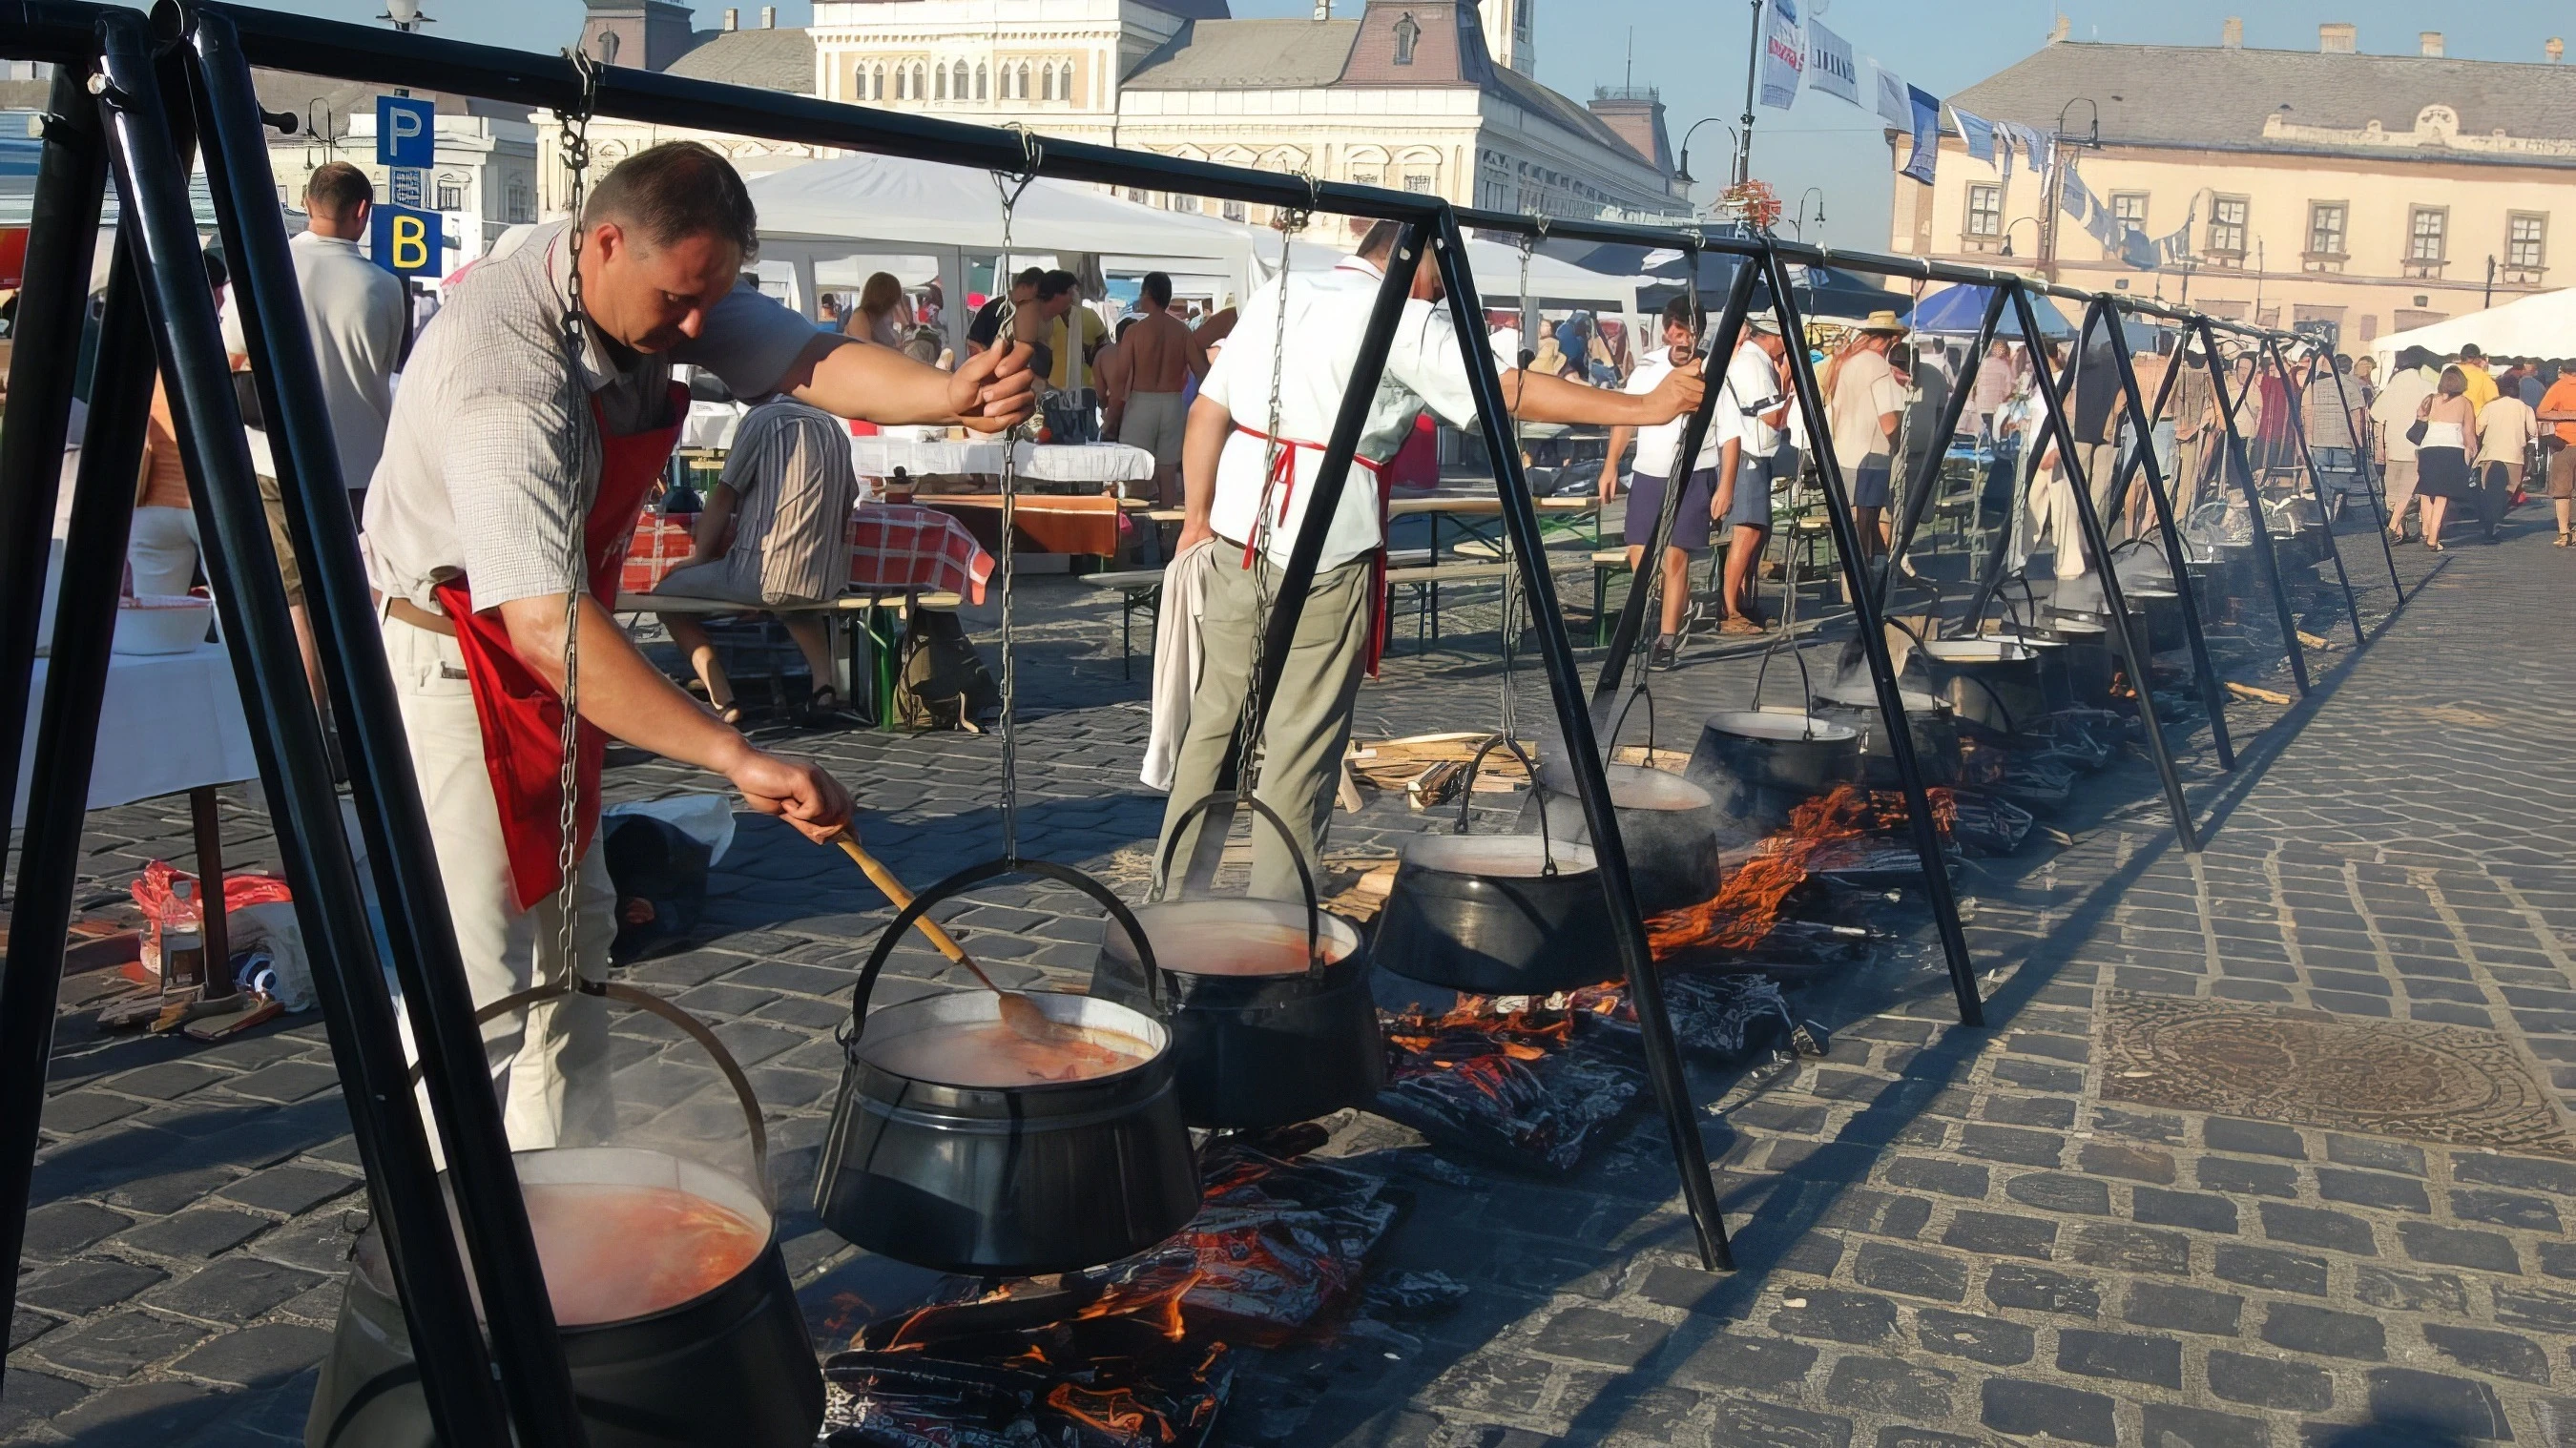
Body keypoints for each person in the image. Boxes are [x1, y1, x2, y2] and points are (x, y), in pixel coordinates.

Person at [362, 141, 1034, 1148]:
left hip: (560, 662)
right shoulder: (502, 366)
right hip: (461, 664)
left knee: (578, 953)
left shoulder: (667, 279)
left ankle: (568, 1194)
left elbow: (805, 358)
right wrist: (733, 753)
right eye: (677, 303)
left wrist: (950, 397)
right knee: (479, 975)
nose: (691, 332)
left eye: (706, 305)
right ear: (602, 245)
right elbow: (542, 623)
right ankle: (442, 1241)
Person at [1158, 220, 1701, 900]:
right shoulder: (1406, 319)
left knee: (1218, 721)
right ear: (1419, 269)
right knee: (1300, 734)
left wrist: (1197, 520)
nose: (1441, 295)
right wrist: (1647, 407)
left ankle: (1175, 895)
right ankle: (1278, 907)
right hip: (1329, 544)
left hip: (1240, 530)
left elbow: (1207, 412)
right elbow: (1507, 391)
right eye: (1441, 282)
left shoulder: (1280, 293)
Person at [220, 161, 408, 717]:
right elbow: (384, 365)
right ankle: (370, 726)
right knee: (356, 599)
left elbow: (229, 353)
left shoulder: (262, 270)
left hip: (273, 458)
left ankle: (312, 733)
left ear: (306, 202)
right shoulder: (385, 286)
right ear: (363, 212)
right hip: (357, 466)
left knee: (296, 602)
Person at [654, 396, 859, 722]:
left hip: (761, 577)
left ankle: (723, 699)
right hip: (823, 580)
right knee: (793, 597)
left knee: (665, 596)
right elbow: (849, 503)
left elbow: (724, 495)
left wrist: (700, 557)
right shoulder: (832, 426)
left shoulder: (762, 420)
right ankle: (824, 689)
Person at [1597, 298, 1741, 668]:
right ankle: (1674, 606)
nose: (1675, 336)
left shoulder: (1713, 371)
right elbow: (1624, 416)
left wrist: (1726, 486)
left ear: (1697, 333)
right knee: (1639, 557)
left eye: (1683, 330)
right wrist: (1611, 465)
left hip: (1695, 472)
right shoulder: (1647, 368)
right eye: (1671, 329)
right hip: (1648, 472)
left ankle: (1665, 639)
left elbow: (1731, 435)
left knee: (1675, 558)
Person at [131, 252, 230, 596]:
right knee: (236, 623)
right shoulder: (223, 349)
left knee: (157, 618)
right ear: (216, 291)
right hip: (213, 499)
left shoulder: (144, 344)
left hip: (150, 499)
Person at [1714, 312, 1794, 631]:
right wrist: (1791, 393)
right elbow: (1773, 418)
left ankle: (1744, 604)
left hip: (1755, 457)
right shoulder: (1753, 364)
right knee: (1746, 534)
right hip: (1748, 457)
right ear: (1774, 336)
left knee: (1757, 533)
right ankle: (1730, 609)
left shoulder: (1757, 361)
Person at [1826, 311, 1908, 561]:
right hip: (1874, 455)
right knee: (1868, 521)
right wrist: (1900, 449)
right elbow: (1889, 420)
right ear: (1892, 339)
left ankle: (1856, 580)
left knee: (1855, 522)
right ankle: (1868, 576)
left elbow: (1836, 408)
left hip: (1844, 452)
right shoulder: (1882, 369)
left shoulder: (1848, 364)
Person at [1115, 273, 1194, 505]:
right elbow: (1201, 369)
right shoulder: (1182, 332)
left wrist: (1116, 407)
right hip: (1172, 401)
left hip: (1141, 401)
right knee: (1167, 470)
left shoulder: (1135, 332)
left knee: (1136, 469)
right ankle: (1166, 527)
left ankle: (1137, 529)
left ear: (1148, 294)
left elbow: (1121, 373)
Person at [2371, 346, 2440, 542]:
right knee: (2410, 490)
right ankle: (2399, 526)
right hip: (2418, 446)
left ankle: (2398, 528)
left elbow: (2376, 414)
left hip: (2392, 444)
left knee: (2393, 490)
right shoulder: (2428, 387)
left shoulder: (2392, 386)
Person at [2410, 365, 2480, 551]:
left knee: (2426, 491)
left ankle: (2425, 529)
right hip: (2451, 450)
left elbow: (2420, 420)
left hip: (2427, 448)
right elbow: (2469, 433)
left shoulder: (2430, 400)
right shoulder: (2465, 403)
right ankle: (2433, 537)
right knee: (2442, 495)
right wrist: (2472, 451)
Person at [2473, 381, 2535, 543]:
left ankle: (2489, 521)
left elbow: (2478, 428)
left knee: (2488, 490)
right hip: (2513, 456)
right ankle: (2497, 518)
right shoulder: (2524, 407)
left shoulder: (2490, 406)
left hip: (2490, 454)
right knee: (2508, 491)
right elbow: (2533, 431)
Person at [2538, 359, 2576, 546]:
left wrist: (2566, 415)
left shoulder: (2558, 387)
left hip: (2565, 444)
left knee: (2562, 491)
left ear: (2565, 371)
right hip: (2566, 444)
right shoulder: (2560, 386)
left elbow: (2542, 412)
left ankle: (2564, 533)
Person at [845, 272, 909, 348]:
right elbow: (865, 350)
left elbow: (904, 323)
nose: (893, 304)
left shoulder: (883, 318)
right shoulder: (861, 316)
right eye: (891, 300)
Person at [2456, 343, 2500, 409]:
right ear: (2478, 359)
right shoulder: (2483, 377)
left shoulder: (2450, 372)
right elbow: (2494, 401)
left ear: (2461, 357)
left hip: (2451, 417)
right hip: (2475, 417)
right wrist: (2485, 371)